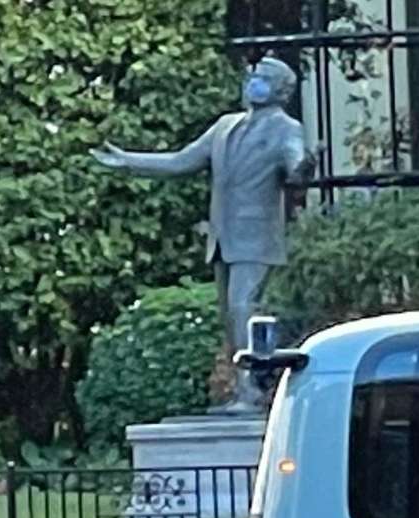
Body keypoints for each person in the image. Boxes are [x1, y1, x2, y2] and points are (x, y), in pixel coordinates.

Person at [92, 56, 315, 415]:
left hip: (256, 235)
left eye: (262, 77)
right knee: (230, 314)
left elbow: (295, 161)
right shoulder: (225, 126)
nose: (253, 80)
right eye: (253, 74)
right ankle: (246, 388)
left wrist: (301, 167)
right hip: (224, 236)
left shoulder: (286, 128)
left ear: (281, 90)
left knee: (245, 307)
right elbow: (182, 161)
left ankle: (253, 389)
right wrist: (129, 161)